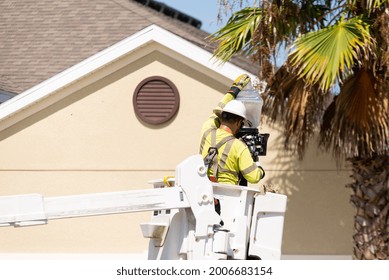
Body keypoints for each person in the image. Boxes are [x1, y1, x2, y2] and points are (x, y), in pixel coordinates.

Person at [199, 74, 265, 186]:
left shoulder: (207, 130)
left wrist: (234, 90)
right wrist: (259, 169)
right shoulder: (239, 147)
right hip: (228, 196)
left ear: (222, 116)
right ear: (238, 122)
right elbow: (253, 177)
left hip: (204, 191)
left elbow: (218, 108)